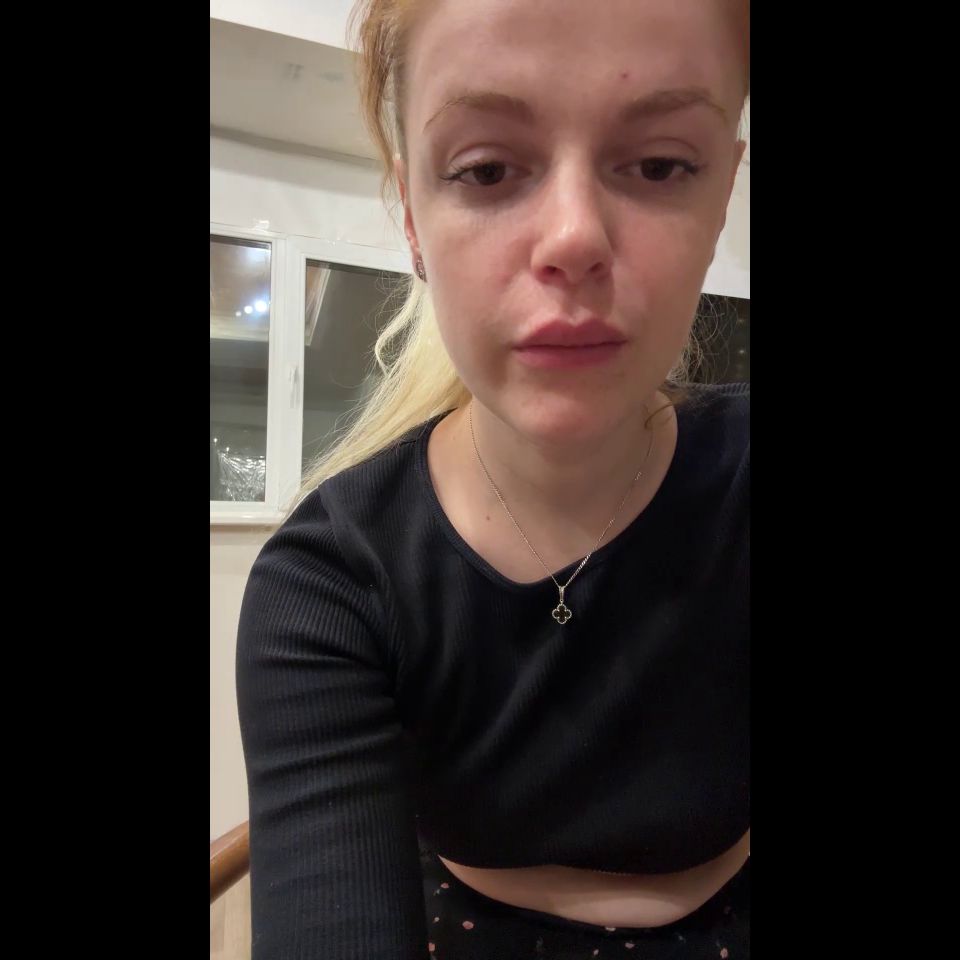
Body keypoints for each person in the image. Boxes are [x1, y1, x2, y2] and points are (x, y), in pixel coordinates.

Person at [236, 0, 750, 956]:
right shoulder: (329, 588)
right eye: (485, 169)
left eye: (660, 165)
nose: (574, 238)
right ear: (412, 217)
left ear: (723, 192)